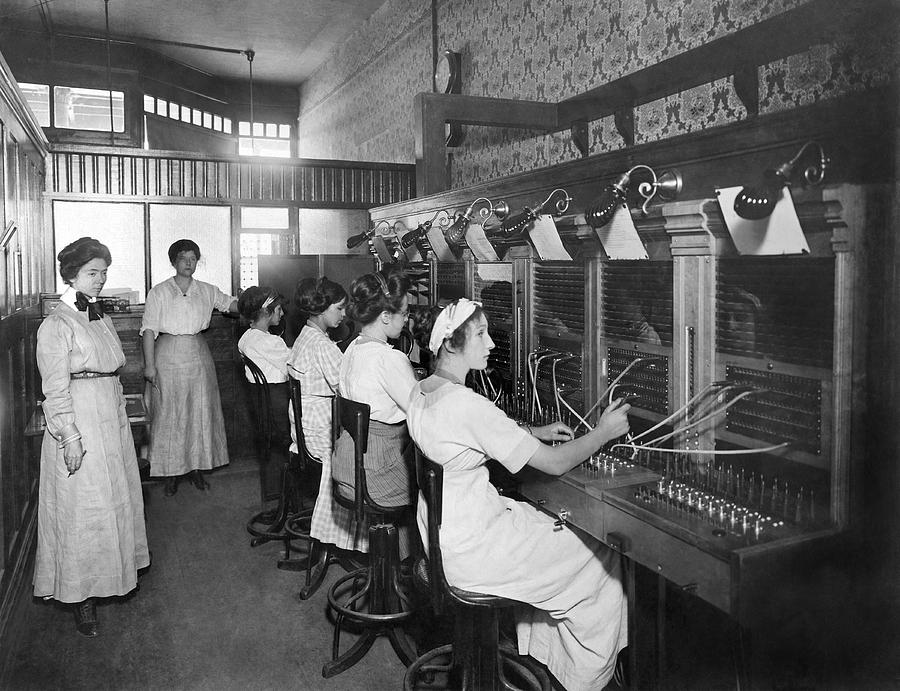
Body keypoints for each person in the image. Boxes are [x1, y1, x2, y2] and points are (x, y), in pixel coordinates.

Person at [406, 298, 632, 691]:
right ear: (452, 345)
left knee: (544, 526)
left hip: (441, 539)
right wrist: (603, 433)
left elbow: (468, 437)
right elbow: (556, 464)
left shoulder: (421, 390)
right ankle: (584, 680)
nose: (491, 344)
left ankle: (546, 661)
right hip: (474, 553)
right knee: (603, 556)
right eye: (480, 334)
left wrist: (532, 432)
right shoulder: (467, 404)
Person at [34, 237, 150, 637]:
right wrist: (69, 436)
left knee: (112, 501)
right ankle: (80, 595)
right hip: (80, 421)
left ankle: (112, 576)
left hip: (109, 415)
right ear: (71, 275)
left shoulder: (99, 316)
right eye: (92, 273)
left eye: (103, 272)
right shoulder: (56, 324)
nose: (100, 280)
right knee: (81, 507)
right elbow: (55, 388)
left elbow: (111, 367)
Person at [141, 239, 237, 496]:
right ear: (173, 261)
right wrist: (150, 366)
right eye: (183, 258)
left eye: (193, 258)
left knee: (199, 410)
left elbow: (232, 305)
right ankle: (170, 471)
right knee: (169, 412)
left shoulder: (207, 290)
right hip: (167, 355)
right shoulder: (159, 292)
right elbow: (149, 330)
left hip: (197, 354)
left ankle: (196, 467)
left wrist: (256, 300)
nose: (188, 263)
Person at [331, 270, 416, 554]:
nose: (407, 320)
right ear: (385, 316)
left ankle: (397, 563)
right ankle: (426, 572)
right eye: (404, 313)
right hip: (376, 473)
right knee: (444, 485)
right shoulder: (390, 358)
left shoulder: (351, 349)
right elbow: (423, 415)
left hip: (346, 465)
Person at [287, 277, 356, 550]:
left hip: (302, 429)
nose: (344, 314)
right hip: (317, 434)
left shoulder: (306, 335)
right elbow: (350, 391)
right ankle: (343, 537)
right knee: (364, 453)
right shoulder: (322, 345)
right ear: (322, 308)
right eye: (339, 308)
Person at [237, 285, 291, 447]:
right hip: (276, 402)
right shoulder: (270, 341)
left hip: (260, 401)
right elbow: (293, 365)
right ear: (267, 312)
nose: (282, 313)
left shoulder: (247, 337)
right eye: (279, 309)